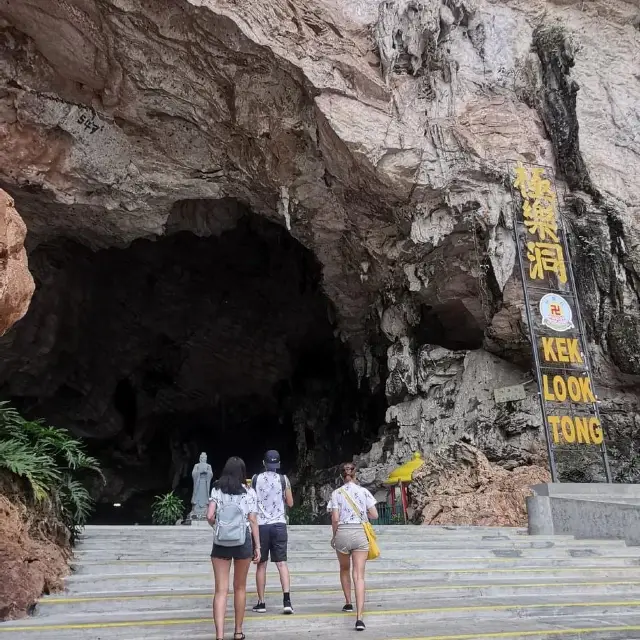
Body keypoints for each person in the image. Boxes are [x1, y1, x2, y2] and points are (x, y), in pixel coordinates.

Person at [207, 456, 261, 640]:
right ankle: (238, 631)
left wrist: (220, 526)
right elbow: (253, 520)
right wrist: (258, 547)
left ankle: (219, 636)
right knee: (240, 588)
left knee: (220, 590)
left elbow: (209, 515)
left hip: (221, 542)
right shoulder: (249, 492)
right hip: (242, 540)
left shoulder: (216, 489)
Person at [327, 462, 378, 631]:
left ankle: (348, 603)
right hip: (359, 533)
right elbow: (375, 515)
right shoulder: (363, 492)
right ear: (355, 475)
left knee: (344, 568)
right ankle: (359, 618)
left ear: (341, 475)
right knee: (359, 576)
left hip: (342, 532)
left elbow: (335, 518)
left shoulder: (336, 493)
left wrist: (335, 537)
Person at [251, 449, 294, 614]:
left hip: (261, 526)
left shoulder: (255, 479)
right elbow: (290, 503)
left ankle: (261, 603)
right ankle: (287, 601)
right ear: (278, 464)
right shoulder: (284, 479)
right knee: (281, 563)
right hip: (279, 525)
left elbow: (251, 500)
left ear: (264, 463)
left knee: (261, 564)